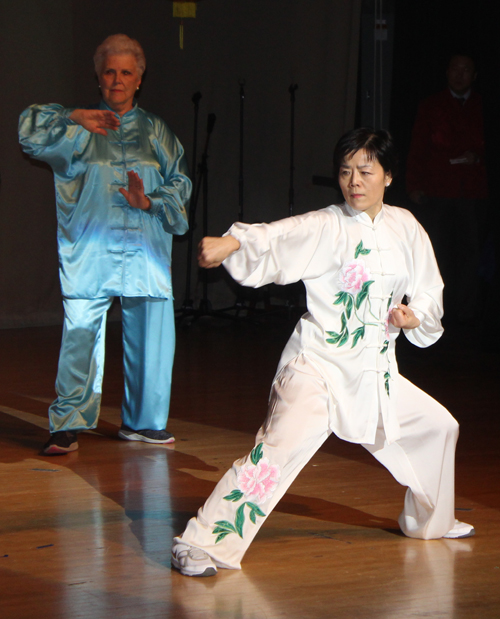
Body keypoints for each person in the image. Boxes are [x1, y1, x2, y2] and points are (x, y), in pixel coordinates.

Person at [171, 128, 474, 577]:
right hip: (317, 366)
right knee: (274, 454)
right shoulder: (328, 225)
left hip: (374, 375)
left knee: (439, 428)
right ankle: (198, 542)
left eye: (366, 171)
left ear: (388, 177)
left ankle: (431, 522)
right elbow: (280, 236)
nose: (354, 180)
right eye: (346, 171)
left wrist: (416, 316)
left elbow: (430, 290)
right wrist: (231, 243)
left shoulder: (406, 226)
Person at [19, 34, 191, 455]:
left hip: (146, 250)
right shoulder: (76, 127)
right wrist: (73, 116)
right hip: (91, 249)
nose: (117, 80)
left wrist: (148, 201)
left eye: (126, 72)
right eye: (109, 72)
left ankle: (144, 423)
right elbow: (29, 131)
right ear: (98, 78)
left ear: (139, 79)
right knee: (81, 334)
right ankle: (69, 421)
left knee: (153, 331)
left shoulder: (157, 132)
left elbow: (181, 183)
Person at [406, 54, 489, 324]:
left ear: (474, 75)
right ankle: (431, 312)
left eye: (466, 70)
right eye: (455, 69)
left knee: (469, 254)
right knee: (435, 252)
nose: (460, 75)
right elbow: (418, 146)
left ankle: (466, 316)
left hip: (471, 193)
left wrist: (478, 156)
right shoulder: (431, 105)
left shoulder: (482, 106)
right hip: (437, 191)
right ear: (447, 72)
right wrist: (414, 184)